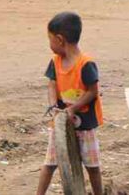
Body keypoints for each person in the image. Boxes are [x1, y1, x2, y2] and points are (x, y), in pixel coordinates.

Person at [37, 12, 104, 195]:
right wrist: (54, 106)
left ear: (59, 39)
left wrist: (73, 108)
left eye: (49, 39)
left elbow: (92, 91)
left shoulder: (86, 64)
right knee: (50, 162)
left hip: (85, 124)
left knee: (92, 166)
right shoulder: (55, 62)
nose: (49, 44)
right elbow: (52, 84)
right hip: (60, 122)